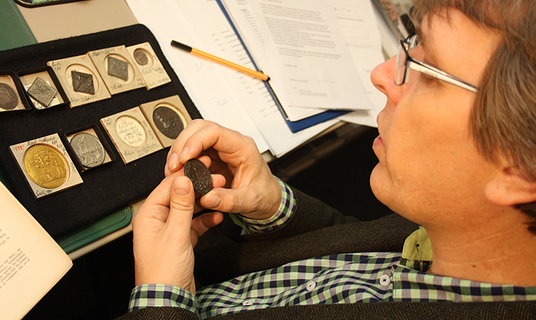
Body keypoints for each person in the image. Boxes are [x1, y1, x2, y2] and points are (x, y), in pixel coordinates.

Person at [118, 0, 536, 319]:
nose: (380, 73)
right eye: (413, 42)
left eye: (428, 70)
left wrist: (161, 298)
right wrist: (274, 207)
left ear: (516, 170)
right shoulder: (453, 235)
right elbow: (353, 257)